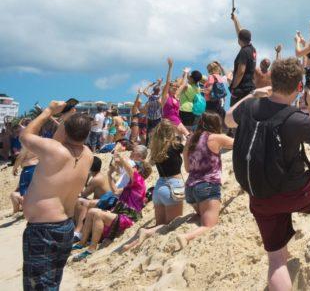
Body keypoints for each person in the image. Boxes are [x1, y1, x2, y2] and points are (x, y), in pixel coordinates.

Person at [227, 57, 310, 290]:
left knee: (277, 260)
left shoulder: (248, 107)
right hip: (295, 191)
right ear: (298, 88)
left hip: (260, 196)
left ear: (272, 82)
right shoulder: (295, 118)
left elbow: (228, 118)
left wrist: (253, 94)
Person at [20, 101, 93, 290]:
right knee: (51, 282)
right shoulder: (88, 155)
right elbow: (63, 138)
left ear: (66, 131)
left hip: (43, 230)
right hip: (65, 226)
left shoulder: (54, 150)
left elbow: (25, 136)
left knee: (39, 286)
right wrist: (69, 118)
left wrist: (49, 111)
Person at [74, 150, 150, 260]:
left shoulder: (139, 182)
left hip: (128, 218)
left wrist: (121, 158)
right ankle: (82, 242)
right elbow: (115, 191)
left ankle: (91, 249)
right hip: (120, 215)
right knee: (91, 212)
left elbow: (130, 171)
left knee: (98, 214)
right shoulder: (131, 185)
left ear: (138, 170)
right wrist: (109, 174)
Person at [123, 120, 185, 251]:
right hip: (174, 186)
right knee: (172, 224)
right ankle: (145, 232)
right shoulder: (175, 145)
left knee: (160, 225)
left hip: (159, 188)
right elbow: (188, 146)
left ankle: (134, 243)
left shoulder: (156, 150)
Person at [176, 111, 234, 249]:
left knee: (204, 214)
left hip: (190, 189)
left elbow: (188, 168)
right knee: (210, 225)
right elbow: (240, 143)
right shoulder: (215, 137)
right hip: (207, 187)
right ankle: (186, 237)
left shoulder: (191, 140)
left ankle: (199, 216)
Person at [229, 12, 257, 107]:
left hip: (241, 91)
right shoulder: (252, 49)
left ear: (239, 40)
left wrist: (234, 86)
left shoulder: (243, 52)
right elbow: (241, 33)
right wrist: (235, 20)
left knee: (234, 119)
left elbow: (241, 71)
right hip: (249, 89)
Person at [161, 58, 189, 137]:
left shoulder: (176, 96)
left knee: (187, 136)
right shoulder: (165, 97)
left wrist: (186, 73)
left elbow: (183, 85)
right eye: (173, 86)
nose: (176, 88)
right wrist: (170, 67)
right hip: (167, 123)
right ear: (169, 87)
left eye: (176, 87)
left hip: (177, 120)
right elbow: (168, 82)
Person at [10, 147, 39, 214]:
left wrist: (14, 168)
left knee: (24, 192)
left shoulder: (27, 144)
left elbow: (20, 157)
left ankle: (26, 211)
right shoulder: (38, 142)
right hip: (39, 168)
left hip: (29, 169)